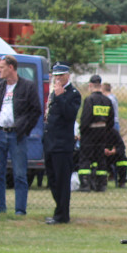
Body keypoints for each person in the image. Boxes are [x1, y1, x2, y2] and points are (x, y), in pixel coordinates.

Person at [0, 55, 41, 216]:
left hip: (17, 135)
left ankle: (20, 210)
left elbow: (36, 111)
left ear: (11, 68)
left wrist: (24, 130)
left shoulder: (27, 87)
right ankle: (0, 208)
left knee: (20, 174)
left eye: (1, 67)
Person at [43, 62, 82, 225]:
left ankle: (62, 215)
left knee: (62, 181)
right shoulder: (54, 93)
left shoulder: (73, 94)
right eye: (55, 75)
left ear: (67, 76)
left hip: (63, 144)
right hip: (50, 142)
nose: (57, 79)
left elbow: (69, 115)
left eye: (60, 75)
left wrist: (59, 97)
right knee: (52, 180)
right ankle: (58, 210)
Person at [77, 74, 115, 192]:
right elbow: (111, 120)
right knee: (101, 159)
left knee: (86, 159)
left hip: (89, 134)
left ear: (90, 85)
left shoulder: (90, 100)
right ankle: (101, 184)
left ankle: (85, 184)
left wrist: (82, 132)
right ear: (101, 86)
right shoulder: (107, 100)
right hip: (102, 133)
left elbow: (86, 118)